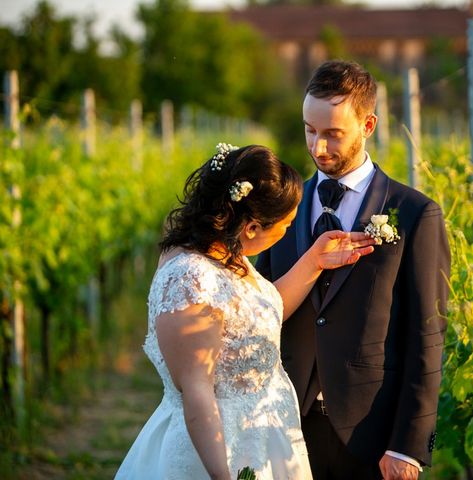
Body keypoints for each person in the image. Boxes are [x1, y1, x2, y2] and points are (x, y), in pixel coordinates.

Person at [115, 143, 375, 480]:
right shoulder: (190, 279)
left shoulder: (223, 253)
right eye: (284, 225)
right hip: (220, 448)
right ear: (251, 227)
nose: (285, 233)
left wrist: (315, 261)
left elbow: (255, 317)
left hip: (265, 438)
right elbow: (197, 392)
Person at [256, 61, 451, 480]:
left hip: (373, 437)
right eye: (310, 129)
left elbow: (427, 337)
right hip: (285, 424)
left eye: (332, 134)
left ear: (368, 125)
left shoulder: (415, 213)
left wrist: (408, 446)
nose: (317, 147)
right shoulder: (284, 208)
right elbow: (261, 305)